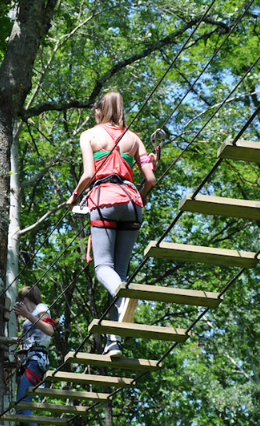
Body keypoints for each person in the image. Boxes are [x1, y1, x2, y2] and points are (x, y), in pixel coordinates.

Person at [65, 91, 156, 357]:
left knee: (103, 268)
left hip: (104, 200)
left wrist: (74, 196)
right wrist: (142, 195)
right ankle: (114, 341)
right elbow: (150, 179)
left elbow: (89, 174)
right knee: (120, 275)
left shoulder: (89, 135)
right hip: (133, 204)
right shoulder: (134, 139)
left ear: (99, 111)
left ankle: (125, 298)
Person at [12, 285, 56, 425]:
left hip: (36, 360)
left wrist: (27, 314)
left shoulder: (41, 308)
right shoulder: (28, 320)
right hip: (28, 361)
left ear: (24, 300)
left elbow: (49, 330)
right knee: (20, 409)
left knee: (22, 406)